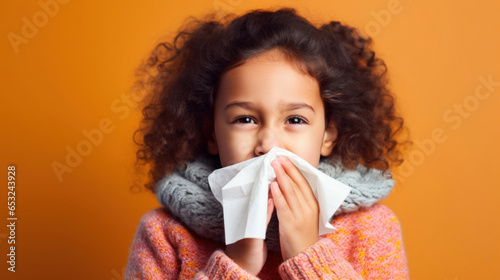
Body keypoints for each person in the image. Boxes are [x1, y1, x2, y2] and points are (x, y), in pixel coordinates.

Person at [125, 7, 409, 279]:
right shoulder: (164, 233)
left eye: (295, 120)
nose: (268, 144)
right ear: (212, 133)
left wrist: (310, 256)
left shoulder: (371, 228)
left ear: (328, 135)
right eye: (245, 119)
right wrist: (236, 266)